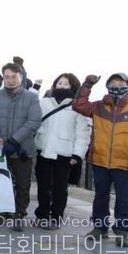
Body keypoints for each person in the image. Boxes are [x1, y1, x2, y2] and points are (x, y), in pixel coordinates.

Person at [73, 73, 128, 247]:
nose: (117, 86)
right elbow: (78, 105)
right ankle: (99, 228)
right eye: (113, 83)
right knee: (100, 197)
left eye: (121, 84)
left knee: (125, 198)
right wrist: (87, 84)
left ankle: (122, 231)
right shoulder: (98, 107)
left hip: (125, 163)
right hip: (99, 161)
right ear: (107, 86)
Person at [0, 62, 42, 231]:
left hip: (23, 149)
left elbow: (34, 121)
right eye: (7, 77)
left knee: (23, 185)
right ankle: (0, 213)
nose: (10, 80)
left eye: (14, 76)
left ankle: (19, 214)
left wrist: (14, 141)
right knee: (1, 182)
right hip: (0, 150)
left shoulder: (31, 97)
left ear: (21, 77)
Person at [34, 73, 91, 229]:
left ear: (73, 87)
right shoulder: (44, 103)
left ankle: (56, 217)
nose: (62, 86)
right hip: (44, 150)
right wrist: (35, 88)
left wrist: (78, 155)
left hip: (64, 154)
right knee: (43, 186)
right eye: (59, 83)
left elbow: (82, 133)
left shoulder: (77, 107)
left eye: (66, 84)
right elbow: (29, 106)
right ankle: (42, 214)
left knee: (60, 188)